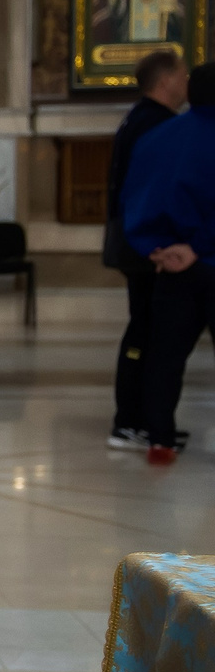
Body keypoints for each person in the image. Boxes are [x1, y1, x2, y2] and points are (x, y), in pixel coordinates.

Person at [126, 60, 215, 468]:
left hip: (170, 268)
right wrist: (198, 247)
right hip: (208, 259)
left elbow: (135, 198)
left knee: (164, 356)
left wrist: (155, 249)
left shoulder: (157, 137)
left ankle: (159, 441)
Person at [106, 48, 187, 450]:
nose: (186, 82)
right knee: (145, 331)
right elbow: (149, 193)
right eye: (183, 74)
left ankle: (145, 418)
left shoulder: (140, 119)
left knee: (148, 330)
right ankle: (131, 421)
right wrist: (158, 244)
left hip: (139, 239)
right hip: (146, 244)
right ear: (166, 80)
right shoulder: (155, 125)